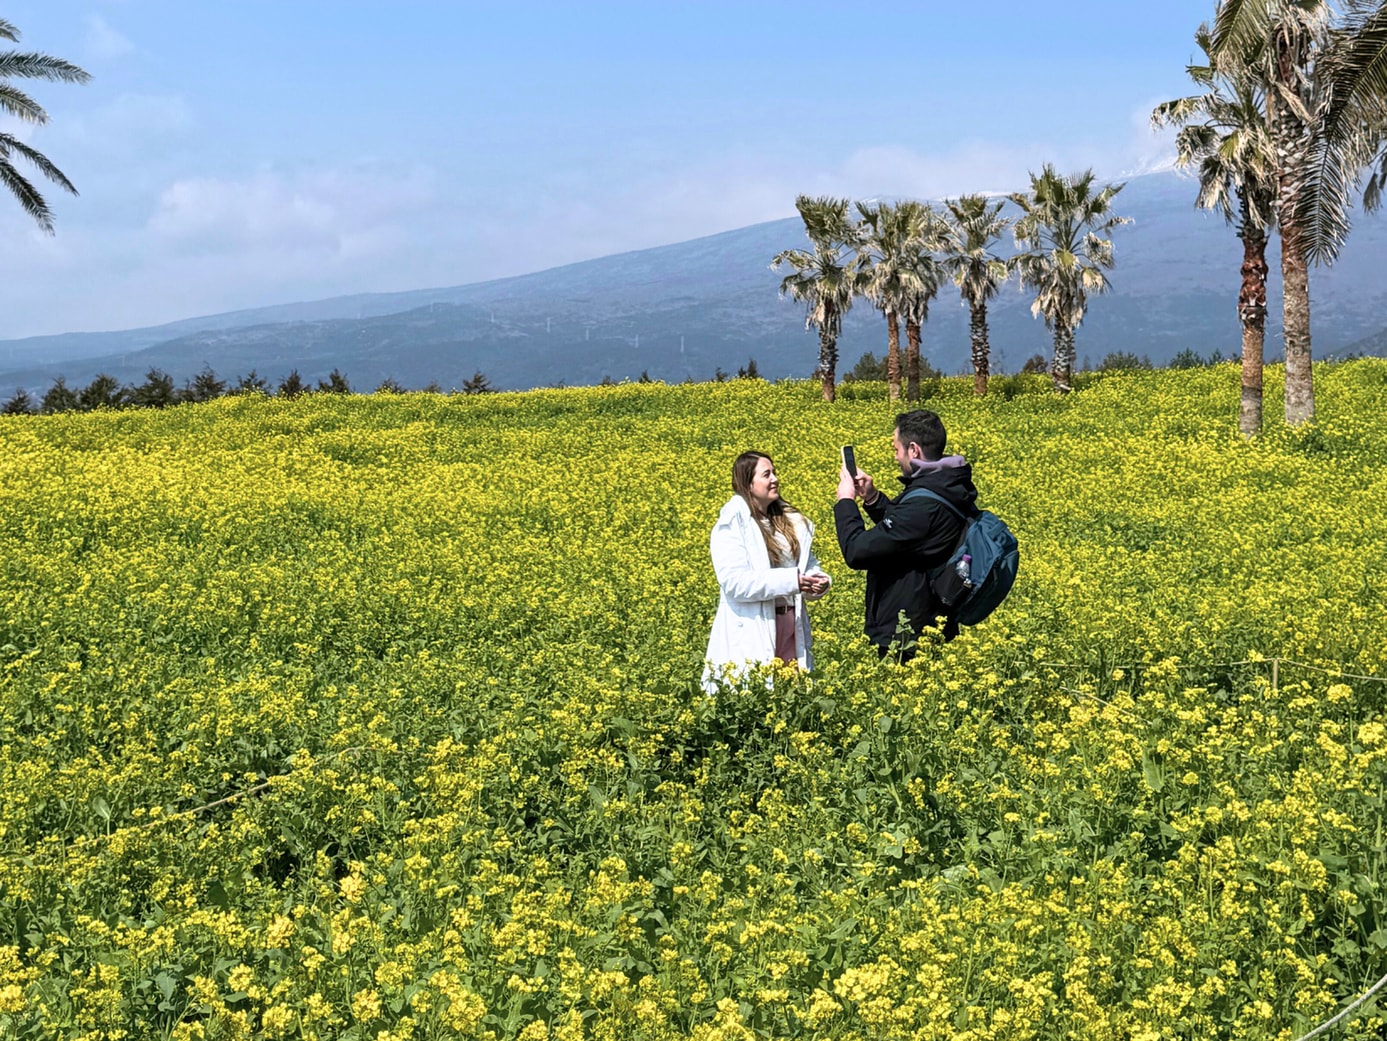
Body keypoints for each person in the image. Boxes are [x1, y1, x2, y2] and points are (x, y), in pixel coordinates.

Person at [834, 409, 978, 661]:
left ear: (913, 450)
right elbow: (912, 537)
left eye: (896, 449)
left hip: (907, 632)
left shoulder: (924, 505)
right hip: (932, 619)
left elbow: (856, 551)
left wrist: (846, 501)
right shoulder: (948, 484)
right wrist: (873, 498)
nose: (895, 456)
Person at [702, 451, 831, 693]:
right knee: (759, 696)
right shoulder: (732, 523)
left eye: (774, 472)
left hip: (791, 624)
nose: (775, 479)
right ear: (747, 483)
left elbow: (806, 564)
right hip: (755, 626)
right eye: (766, 474)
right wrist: (792, 581)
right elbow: (735, 583)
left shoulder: (789, 522)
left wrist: (818, 580)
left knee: (792, 696)